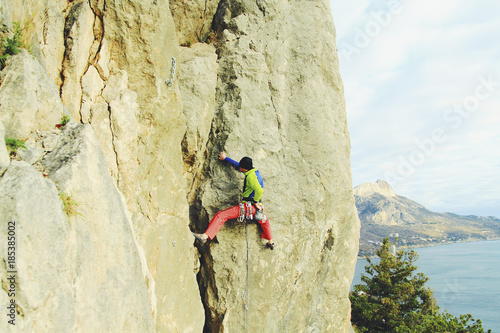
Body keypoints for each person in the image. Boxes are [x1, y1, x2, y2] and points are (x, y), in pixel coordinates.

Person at [193, 152, 274, 249]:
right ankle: (271, 242)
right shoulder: (254, 172)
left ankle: (205, 236)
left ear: (245, 168)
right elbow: (238, 166)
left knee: (221, 215)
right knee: (265, 221)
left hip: (247, 207)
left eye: (241, 168)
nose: (240, 169)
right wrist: (226, 158)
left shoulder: (251, 177)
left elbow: (259, 190)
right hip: (257, 210)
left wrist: (256, 201)